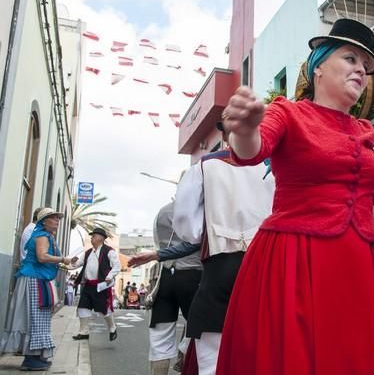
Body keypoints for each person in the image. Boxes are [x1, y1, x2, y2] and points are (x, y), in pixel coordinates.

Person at [216, 18, 374, 374]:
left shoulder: (365, 130)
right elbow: (251, 149)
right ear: (318, 67)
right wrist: (245, 129)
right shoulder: (287, 112)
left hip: (359, 264)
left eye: (365, 65)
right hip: (296, 260)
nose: (360, 69)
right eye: (350, 58)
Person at [175, 122, 275, 375]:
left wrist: (214, 230)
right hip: (263, 265)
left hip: (220, 266)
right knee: (259, 353)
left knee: (213, 359)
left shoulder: (204, 166)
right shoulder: (272, 167)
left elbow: (187, 226)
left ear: (223, 135)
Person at [128, 200, 203, 375]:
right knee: (199, 329)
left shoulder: (163, 211)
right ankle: (184, 356)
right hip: (194, 275)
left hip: (166, 276)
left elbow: (158, 242)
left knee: (160, 336)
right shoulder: (202, 210)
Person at [0, 208, 77, 371]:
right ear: (44, 221)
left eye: (58, 218)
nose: (57, 221)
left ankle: (34, 356)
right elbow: (42, 257)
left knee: (38, 318)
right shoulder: (42, 235)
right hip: (34, 280)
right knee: (35, 318)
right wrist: (63, 259)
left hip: (37, 278)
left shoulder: (45, 235)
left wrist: (64, 263)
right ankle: (31, 359)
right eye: (53, 218)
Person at [69, 227, 121, 342]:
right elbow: (76, 264)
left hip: (101, 285)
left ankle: (112, 328)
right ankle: (84, 332)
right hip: (88, 285)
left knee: (104, 309)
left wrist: (109, 277)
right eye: (92, 236)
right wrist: (72, 262)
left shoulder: (109, 251)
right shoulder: (88, 252)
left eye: (94, 236)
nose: (92, 237)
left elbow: (117, 266)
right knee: (83, 307)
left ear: (101, 238)